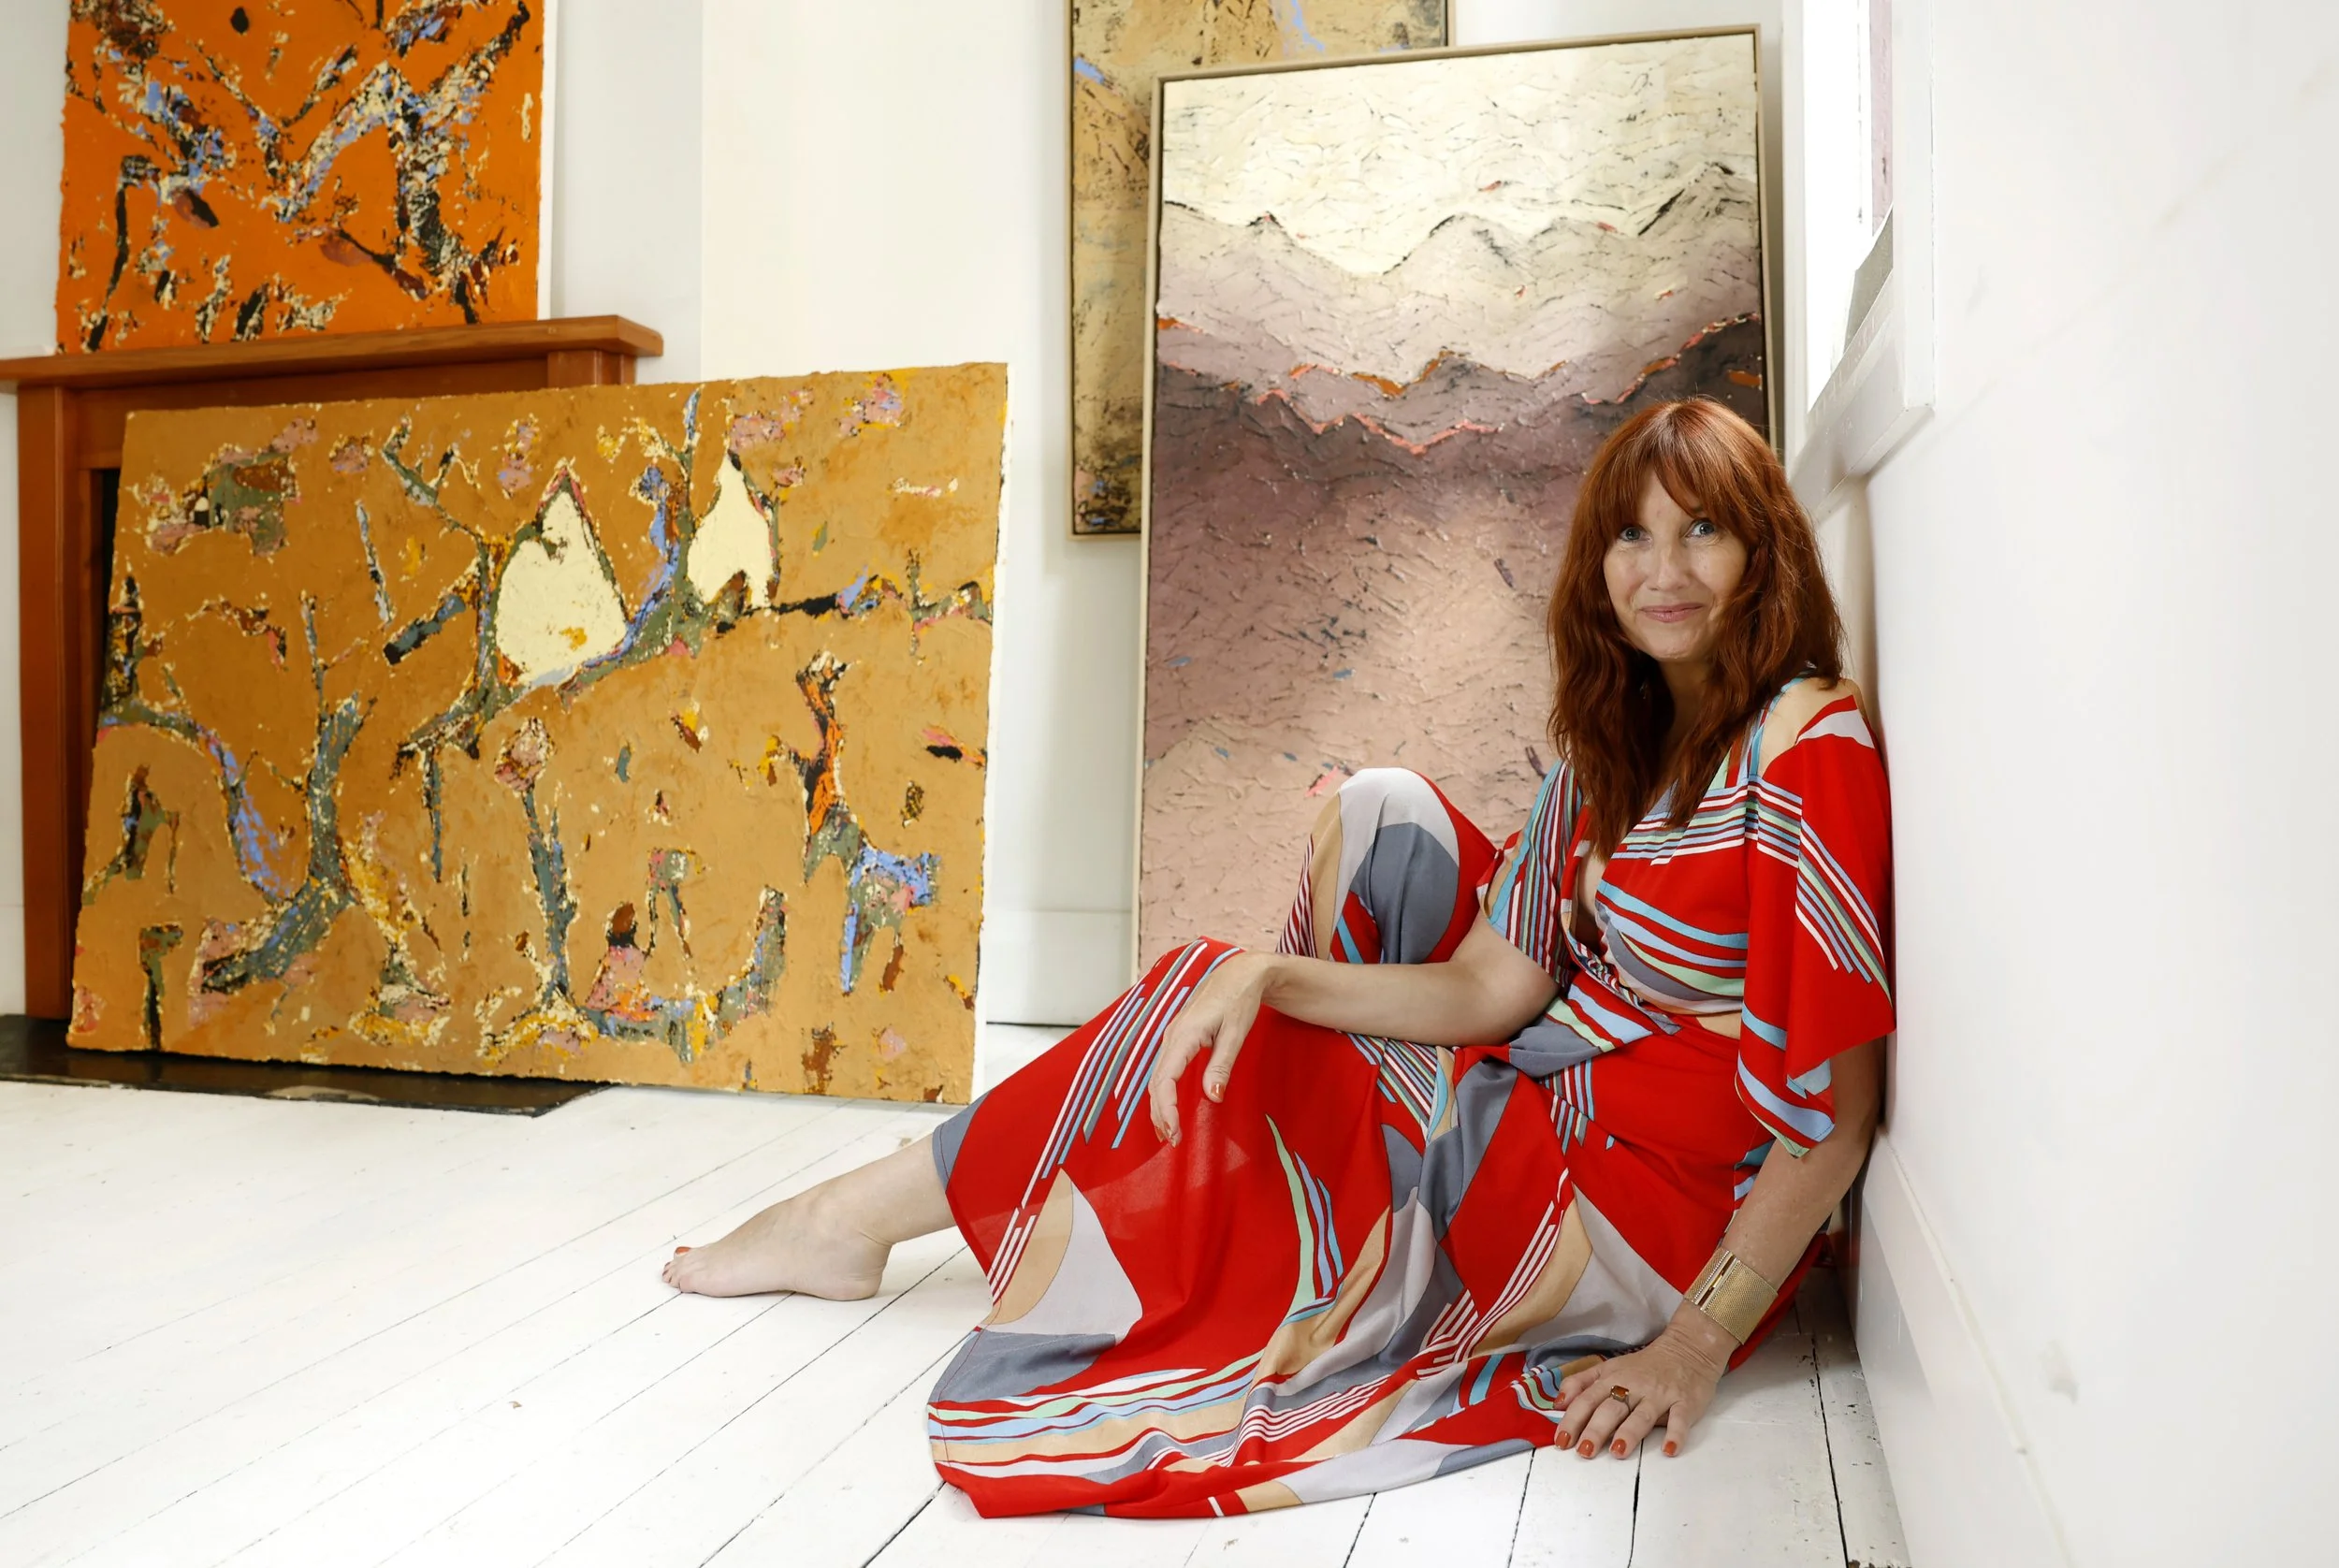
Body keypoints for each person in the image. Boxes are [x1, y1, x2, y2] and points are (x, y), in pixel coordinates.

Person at [663, 397, 1893, 1520]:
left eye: (1703, 533)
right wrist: (1276, 977)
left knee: (1232, 1042)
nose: (1661, 570)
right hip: (1541, 1101)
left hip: (1638, 1207)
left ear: (1766, 552)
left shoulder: (1805, 739)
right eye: (1630, 536)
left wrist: (1696, 1341)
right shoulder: (1616, 751)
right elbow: (1489, 988)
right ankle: (871, 1215)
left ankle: (850, 1215)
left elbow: (1835, 1121)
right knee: (1226, 982)